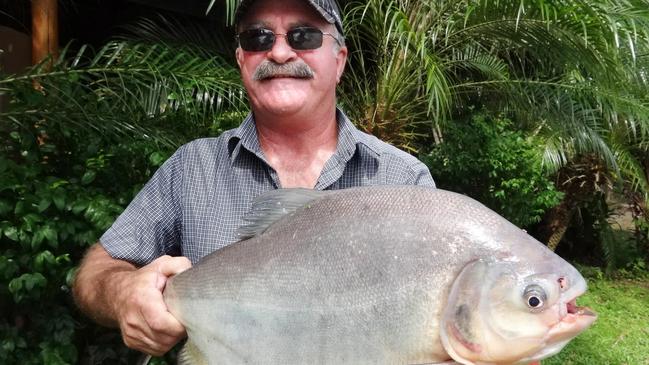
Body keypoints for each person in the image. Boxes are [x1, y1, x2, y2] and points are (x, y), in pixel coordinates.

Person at [73, 0, 435, 357]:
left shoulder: (403, 180)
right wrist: (124, 294)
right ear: (241, 60)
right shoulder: (192, 169)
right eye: (258, 38)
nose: (278, 52)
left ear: (339, 60)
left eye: (303, 36)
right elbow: (94, 271)